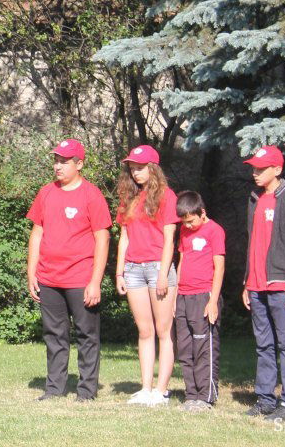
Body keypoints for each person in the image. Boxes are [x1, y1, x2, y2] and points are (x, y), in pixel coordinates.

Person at [26, 138, 111, 402]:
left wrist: (95, 281)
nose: (58, 166)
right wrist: (31, 272)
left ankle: (86, 391)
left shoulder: (91, 195)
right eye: (56, 161)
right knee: (54, 335)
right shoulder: (46, 192)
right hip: (49, 278)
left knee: (87, 335)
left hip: (80, 278)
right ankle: (54, 388)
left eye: (64, 161)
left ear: (79, 164)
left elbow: (103, 238)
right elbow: (36, 233)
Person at [241, 145, 285, 423]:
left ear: (277, 169)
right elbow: (251, 243)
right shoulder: (254, 198)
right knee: (263, 345)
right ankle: (265, 399)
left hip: (280, 285)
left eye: (261, 168)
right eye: (253, 168)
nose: (255, 173)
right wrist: (246, 282)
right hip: (255, 286)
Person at [114, 144, 178, 407]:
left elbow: (170, 240)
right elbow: (124, 237)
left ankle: (161, 391)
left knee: (164, 331)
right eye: (132, 168)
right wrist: (119, 272)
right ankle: (145, 388)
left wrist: (163, 274)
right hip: (133, 270)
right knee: (144, 331)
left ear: (153, 168)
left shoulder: (167, 196)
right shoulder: (129, 197)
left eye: (140, 168)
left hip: (157, 268)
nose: (136, 173)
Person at [173, 190, 224, 411]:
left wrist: (212, 301)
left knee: (203, 347)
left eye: (192, 220)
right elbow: (182, 261)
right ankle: (191, 394)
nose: (189, 225)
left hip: (204, 295)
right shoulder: (184, 230)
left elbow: (219, 266)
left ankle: (206, 396)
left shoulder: (215, 231)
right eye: (185, 222)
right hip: (184, 296)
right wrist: (176, 296)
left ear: (202, 212)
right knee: (185, 348)